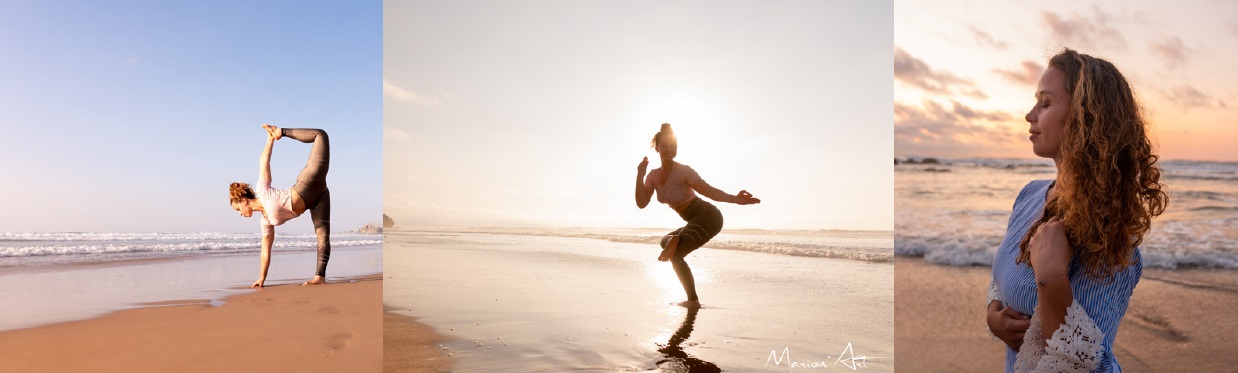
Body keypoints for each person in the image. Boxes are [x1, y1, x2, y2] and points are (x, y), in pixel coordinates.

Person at [985, 49, 1167, 372]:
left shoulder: (1113, 240)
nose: (1030, 115)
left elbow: (1090, 367)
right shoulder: (1029, 195)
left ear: (1085, 117)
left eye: (1045, 103)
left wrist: (1052, 278)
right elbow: (1000, 279)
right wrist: (994, 316)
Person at [635, 123, 760, 307]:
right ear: (657, 148)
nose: (669, 150)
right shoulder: (652, 176)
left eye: (673, 146)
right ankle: (674, 242)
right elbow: (641, 203)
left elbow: (708, 191)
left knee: (676, 255)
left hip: (709, 217)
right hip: (693, 220)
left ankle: (692, 301)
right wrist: (639, 175)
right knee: (664, 242)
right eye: (665, 146)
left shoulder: (684, 171)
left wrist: (735, 199)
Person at [228, 124, 334, 287]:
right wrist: (261, 278)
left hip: (307, 183)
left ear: (244, 200)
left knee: (320, 135)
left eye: (238, 209)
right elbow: (265, 252)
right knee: (322, 236)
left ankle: (282, 131)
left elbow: (264, 161)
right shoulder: (265, 223)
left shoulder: (262, 189)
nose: (240, 214)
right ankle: (320, 277)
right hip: (318, 198)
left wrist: (272, 139)